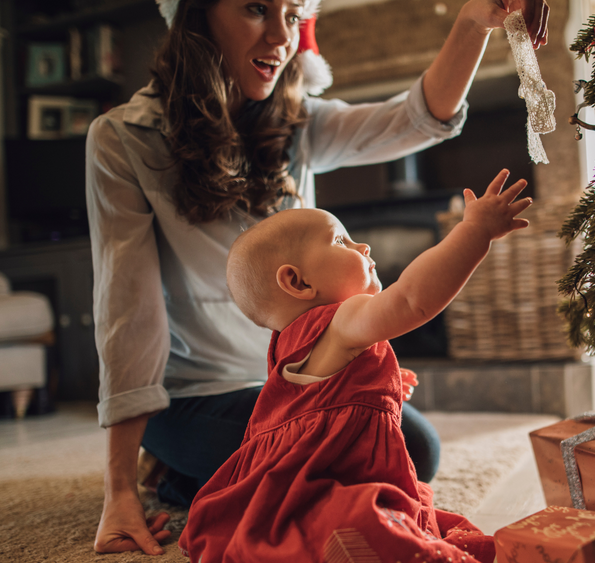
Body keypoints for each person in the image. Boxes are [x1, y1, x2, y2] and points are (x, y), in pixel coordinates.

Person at [86, 0, 549, 555]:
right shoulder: (122, 138)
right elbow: (127, 309)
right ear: (196, 14)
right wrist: (116, 491)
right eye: (257, 9)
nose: (282, 36)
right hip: (193, 395)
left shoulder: (296, 121)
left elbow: (417, 117)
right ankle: (174, 464)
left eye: (293, 13)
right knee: (308, 464)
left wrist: (474, 20)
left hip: (295, 383)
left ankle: (193, 475)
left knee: (414, 448)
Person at [179, 169, 531, 562]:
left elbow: (323, 397)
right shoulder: (341, 319)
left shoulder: (288, 342)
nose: (361, 244)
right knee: (365, 525)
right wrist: (474, 233)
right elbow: (411, 300)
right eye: (340, 241)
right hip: (325, 479)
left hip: (313, 472)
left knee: (397, 509)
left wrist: (383, 382)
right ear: (297, 282)